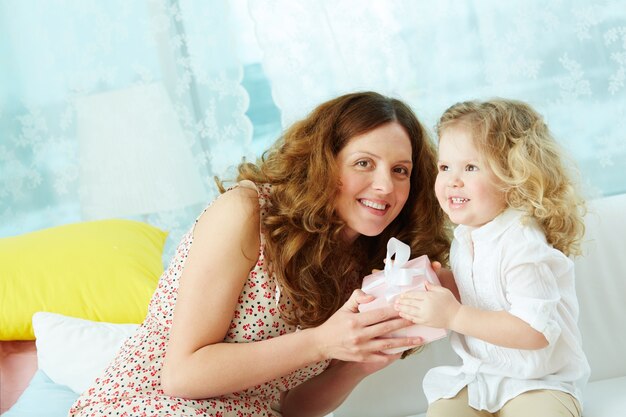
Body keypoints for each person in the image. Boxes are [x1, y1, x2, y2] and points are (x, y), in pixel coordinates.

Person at [69, 91, 451, 417]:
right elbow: (181, 376)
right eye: (363, 163)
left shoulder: (368, 267)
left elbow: (290, 408)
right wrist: (320, 342)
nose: (385, 185)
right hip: (153, 403)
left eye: (401, 170)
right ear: (323, 163)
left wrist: (359, 364)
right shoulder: (247, 212)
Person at [394, 98, 590, 417]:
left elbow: (534, 331)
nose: (453, 180)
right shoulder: (466, 235)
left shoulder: (523, 243)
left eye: (470, 167)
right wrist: (441, 285)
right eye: (445, 167)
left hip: (541, 382)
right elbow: (482, 295)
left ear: (515, 175)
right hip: (480, 376)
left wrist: (454, 315)